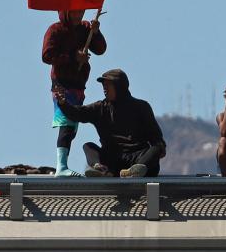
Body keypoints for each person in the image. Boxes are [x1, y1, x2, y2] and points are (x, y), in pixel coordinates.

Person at [54, 69, 166, 177]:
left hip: (138, 157)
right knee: (88, 146)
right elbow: (77, 113)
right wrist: (63, 103)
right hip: (113, 160)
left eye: (108, 85)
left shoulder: (141, 107)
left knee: (156, 147)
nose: (104, 89)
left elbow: (156, 137)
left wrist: (159, 150)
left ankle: (137, 170)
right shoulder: (100, 108)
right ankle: (100, 169)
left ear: (119, 86)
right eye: (103, 86)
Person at [42, 10, 106, 176]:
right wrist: (72, 57)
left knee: (72, 126)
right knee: (66, 124)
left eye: (81, 11)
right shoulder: (55, 30)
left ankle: (62, 165)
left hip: (78, 86)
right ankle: (61, 167)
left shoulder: (86, 28)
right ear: (66, 11)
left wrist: (96, 32)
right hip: (61, 84)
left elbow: (100, 49)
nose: (79, 14)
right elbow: (47, 55)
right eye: (75, 11)